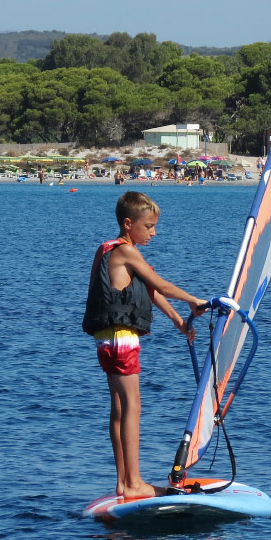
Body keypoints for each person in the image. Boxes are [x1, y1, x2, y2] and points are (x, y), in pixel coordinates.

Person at [83, 191, 206, 499]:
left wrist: (179, 320)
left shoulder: (112, 250)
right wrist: (194, 300)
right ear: (128, 224)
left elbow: (151, 291)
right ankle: (133, 482)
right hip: (122, 341)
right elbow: (161, 284)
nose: (154, 232)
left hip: (107, 341)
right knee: (132, 408)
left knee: (120, 409)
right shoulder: (125, 252)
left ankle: (124, 483)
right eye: (148, 226)